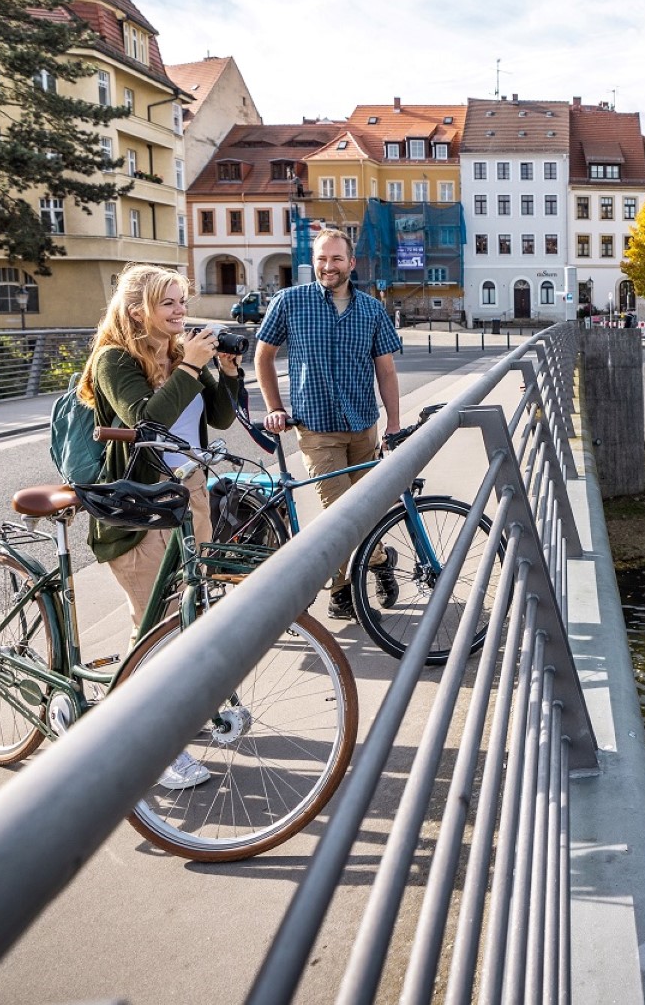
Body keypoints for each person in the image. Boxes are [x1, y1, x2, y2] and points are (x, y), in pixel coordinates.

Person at [77, 265, 245, 791]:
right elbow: (146, 421)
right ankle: (147, 748)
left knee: (186, 613)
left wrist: (226, 370)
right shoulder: (113, 360)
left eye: (181, 301)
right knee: (155, 627)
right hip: (140, 505)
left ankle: (169, 714)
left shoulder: (177, 353)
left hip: (188, 493)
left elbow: (218, 419)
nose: (180, 312)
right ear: (136, 311)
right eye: (168, 304)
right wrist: (191, 367)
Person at [255, 228, 403, 618]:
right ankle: (343, 591)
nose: (328, 266)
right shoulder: (290, 302)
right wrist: (275, 406)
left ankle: (379, 560)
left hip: (363, 425)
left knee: (367, 512)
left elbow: (386, 372)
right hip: (316, 429)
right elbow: (263, 357)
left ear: (351, 264)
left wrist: (394, 424)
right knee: (339, 514)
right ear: (313, 261)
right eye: (321, 258)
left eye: (336, 259)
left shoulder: (371, 310)